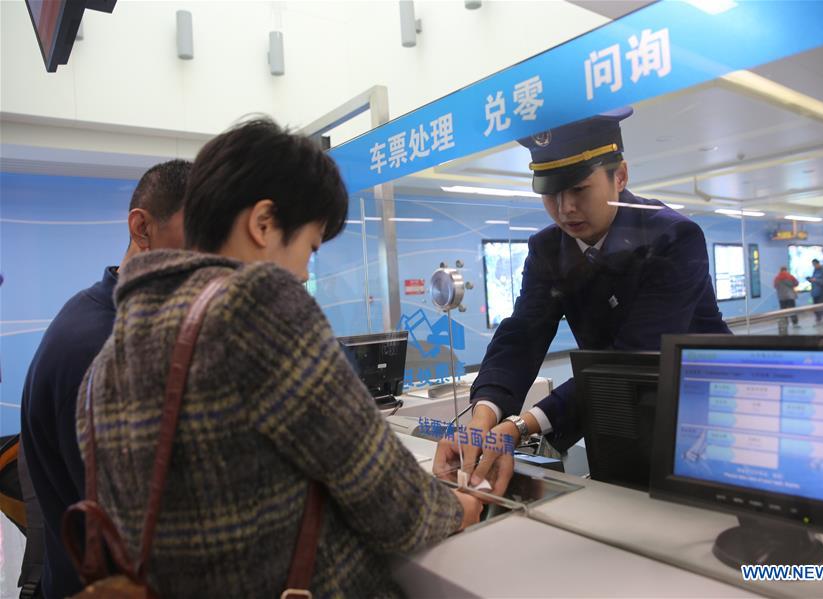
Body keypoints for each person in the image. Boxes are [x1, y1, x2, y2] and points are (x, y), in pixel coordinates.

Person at [75, 118, 481, 598]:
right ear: (263, 224)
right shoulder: (256, 303)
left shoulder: (114, 349)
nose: (307, 272)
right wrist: (460, 507)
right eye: (309, 247)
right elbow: (389, 500)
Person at [434, 108, 731, 495]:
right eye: (550, 193)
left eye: (578, 189)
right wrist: (484, 416)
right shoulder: (547, 248)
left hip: (699, 409)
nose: (565, 208)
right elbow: (522, 334)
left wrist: (520, 426)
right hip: (615, 411)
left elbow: (636, 354)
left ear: (619, 176)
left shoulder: (672, 237)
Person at [19, 159, 191, 599]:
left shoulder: (123, 323)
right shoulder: (100, 347)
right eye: (197, 241)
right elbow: (140, 542)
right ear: (142, 228)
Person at [807, 258, 823, 324]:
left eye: (814, 264)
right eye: (813, 265)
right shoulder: (815, 270)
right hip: (815, 293)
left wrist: (815, 280)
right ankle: (818, 319)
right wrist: (810, 280)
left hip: (822, 293)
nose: (814, 266)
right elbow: (814, 279)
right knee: (816, 308)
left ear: (818, 263)